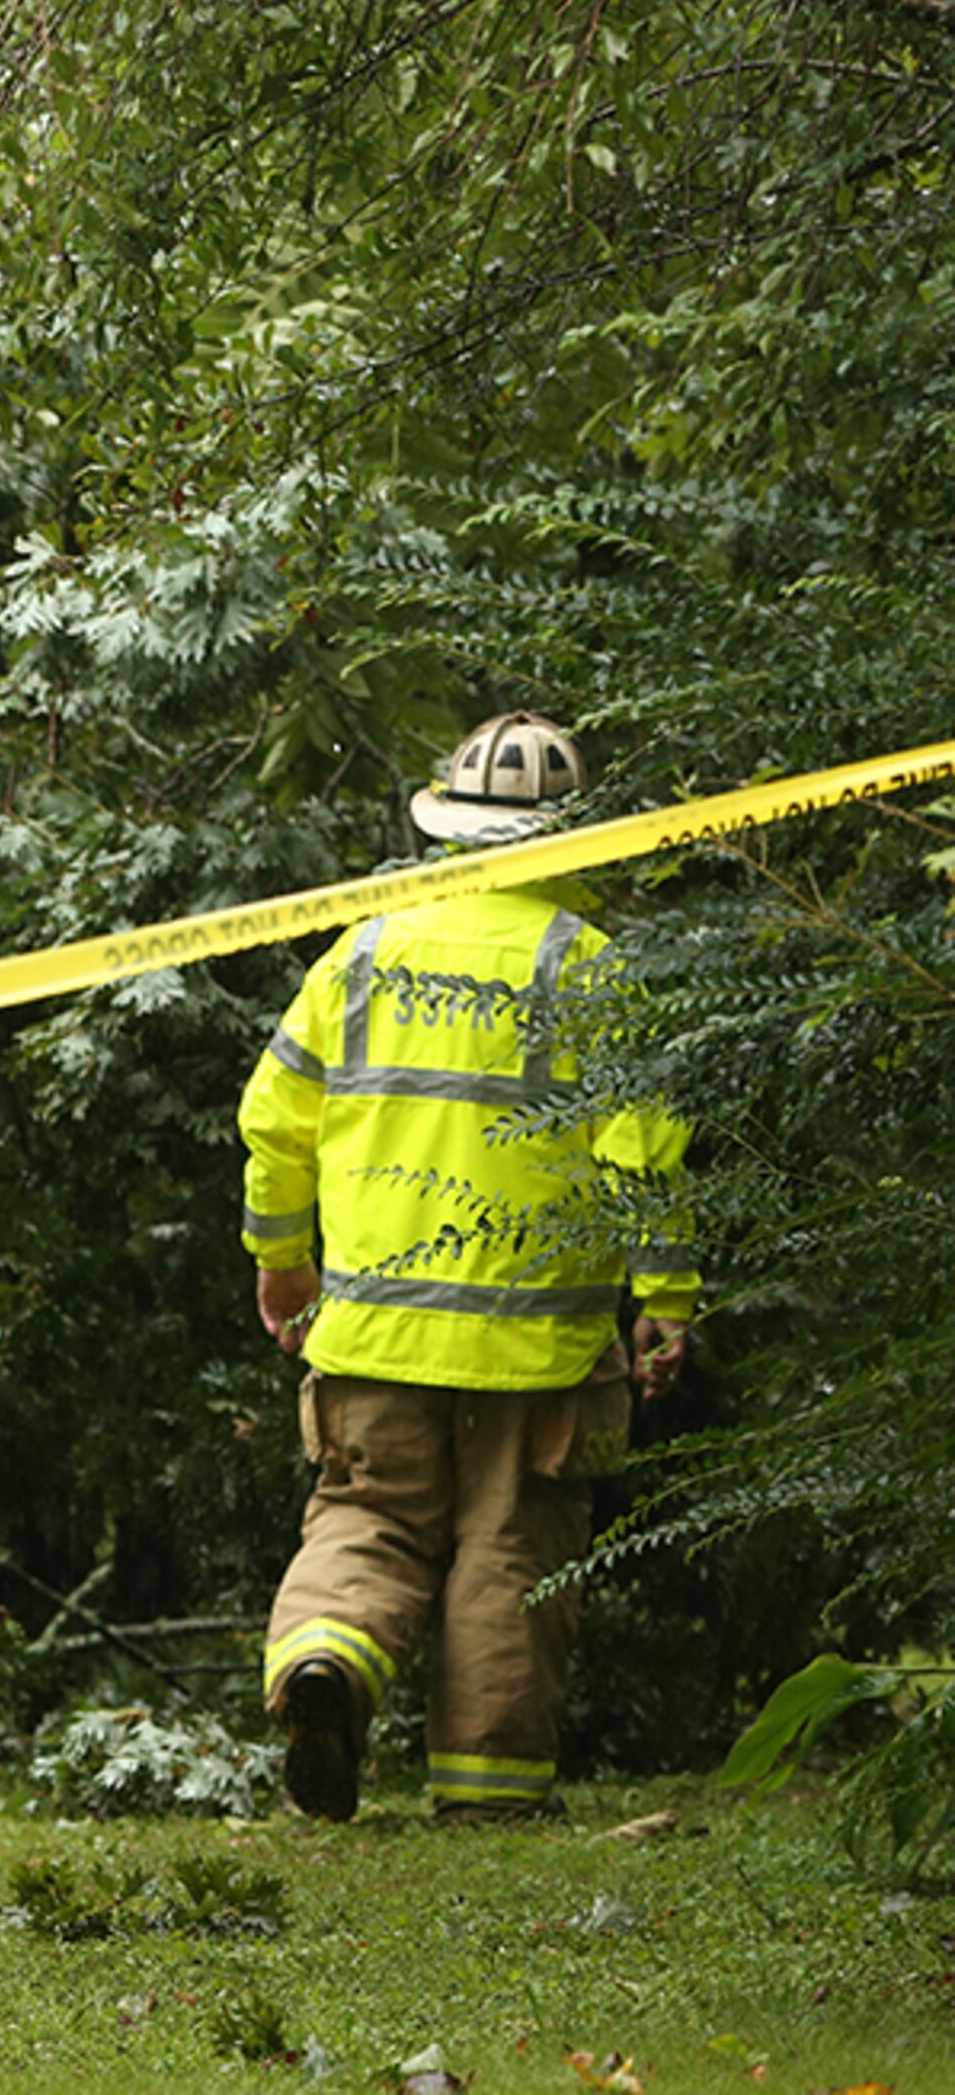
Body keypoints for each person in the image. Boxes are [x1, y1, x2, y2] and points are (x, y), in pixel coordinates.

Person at [240, 711, 697, 1822]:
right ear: (576, 838)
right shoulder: (590, 968)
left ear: (446, 829)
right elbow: (648, 1153)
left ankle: (327, 1667)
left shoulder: (363, 951)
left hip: (374, 1336)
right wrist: (667, 1300)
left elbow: (275, 1120)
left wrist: (284, 1259)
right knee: (513, 1556)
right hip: (536, 1349)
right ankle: (490, 1799)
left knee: (364, 1520)